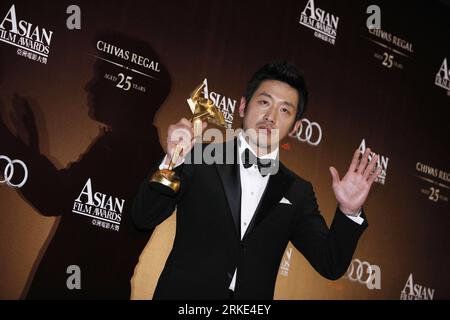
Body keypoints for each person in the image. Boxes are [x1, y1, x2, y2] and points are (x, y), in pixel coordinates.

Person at [132, 60, 381, 300]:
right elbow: (144, 216)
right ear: (242, 106)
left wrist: (350, 212)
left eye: (285, 110)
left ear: (295, 127)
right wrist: (172, 161)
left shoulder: (298, 191)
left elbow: (330, 264)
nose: (271, 116)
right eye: (264, 102)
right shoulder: (199, 157)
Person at [0, 32, 170, 299]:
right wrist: (25, 152)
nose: (90, 87)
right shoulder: (138, 152)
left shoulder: (126, 154)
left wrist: (9, 144)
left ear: (127, 88)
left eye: (102, 76)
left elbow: (53, 197)